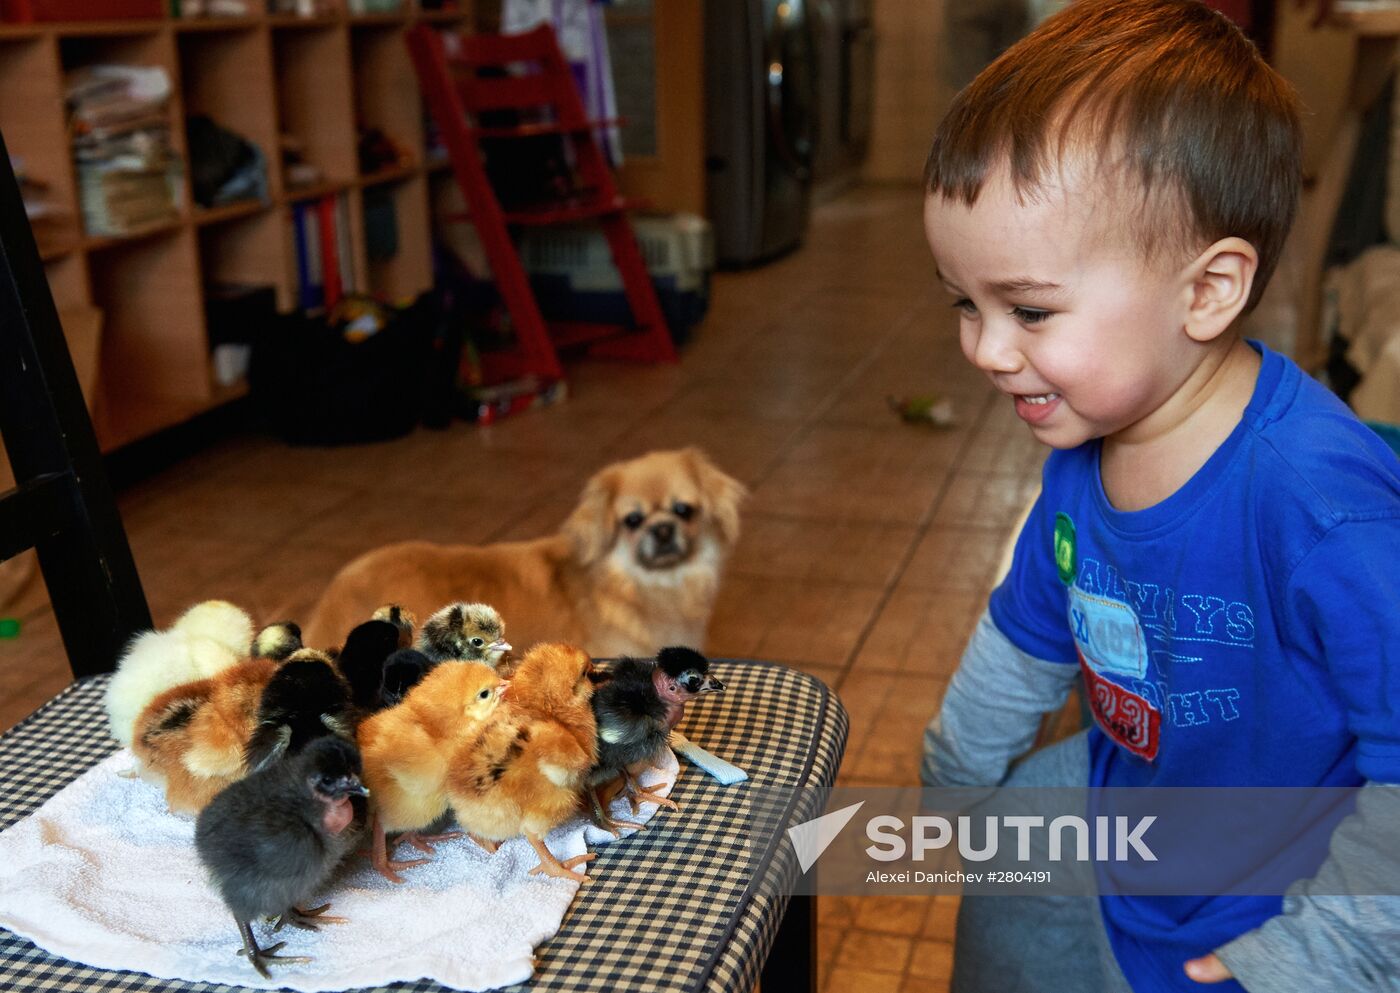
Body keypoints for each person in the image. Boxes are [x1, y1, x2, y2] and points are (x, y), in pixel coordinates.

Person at [919, 1, 1400, 991]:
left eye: (1030, 310)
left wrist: (1313, 956)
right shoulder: (1085, 449)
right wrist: (949, 790)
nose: (985, 350)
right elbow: (1025, 639)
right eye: (966, 304)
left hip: (1278, 921)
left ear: (1207, 291)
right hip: (1138, 841)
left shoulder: (1321, 508)